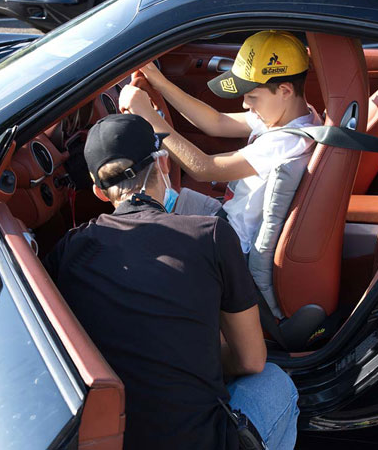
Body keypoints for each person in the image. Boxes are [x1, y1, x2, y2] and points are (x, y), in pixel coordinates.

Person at [42, 114, 299, 450]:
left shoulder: (68, 249)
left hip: (108, 437)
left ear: (99, 192)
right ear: (162, 163)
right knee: (276, 383)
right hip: (201, 441)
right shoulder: (211, 234)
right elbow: (251, 360)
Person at [119, 30, 322, 253]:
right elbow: (217, 121)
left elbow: (204, 169)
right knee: (166, 200)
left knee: (143, 233)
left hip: (230, 244)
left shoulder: (286, 142)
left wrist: (148, 116)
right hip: (226, 214)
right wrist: (160, 83)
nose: (245, 105)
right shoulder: (293, 115)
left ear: (284, 90)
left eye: (252, 97)